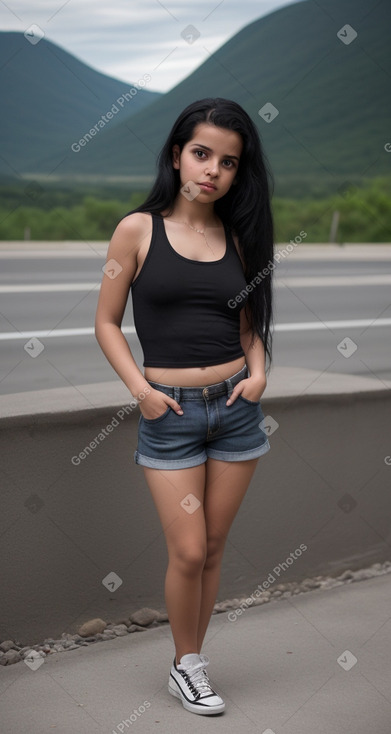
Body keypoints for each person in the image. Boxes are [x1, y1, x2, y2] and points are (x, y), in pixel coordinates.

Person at [95, 98, 275, 716]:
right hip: (167, 414)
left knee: (216, 546)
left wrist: (259, 374)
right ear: (176, 155)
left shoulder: (240, 237)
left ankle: (191, 662)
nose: (212, 171)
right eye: (201, 154)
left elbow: (250, 329)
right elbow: (106, 323)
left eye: (228, 162)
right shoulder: (136, 230)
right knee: (189, 551)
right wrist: (141, 393)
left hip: (234, 410)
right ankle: (184, 663)